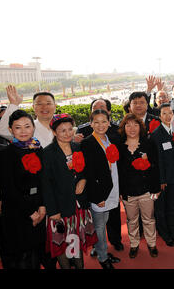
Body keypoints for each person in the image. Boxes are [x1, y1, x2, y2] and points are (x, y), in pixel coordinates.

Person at [41, 114, 97, 268]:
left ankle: (80, 266)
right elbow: (45, 184)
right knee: (60, 243)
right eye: (62, 130)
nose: (67, 133)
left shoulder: (78, 147)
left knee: (75, 239)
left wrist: (83, 180)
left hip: (78, 206)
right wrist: (53, 211)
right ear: (54, 132)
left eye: (69, 129)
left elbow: (85, 171)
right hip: (59, 207)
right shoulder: (47, 153)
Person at [74, 98, 123, 253]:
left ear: (109, 122)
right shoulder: (88, 143)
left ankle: (101, 250)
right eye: (96, 122)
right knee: (100, 226)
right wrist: (97, 197)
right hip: (99, 193)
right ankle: (103, 256)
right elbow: (89, 173)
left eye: (104, 122)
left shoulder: (109, 140)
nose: (100, 125)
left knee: (105, 220)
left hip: (111, 187)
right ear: (91, 124)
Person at [0, 110, 46, 269]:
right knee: (19, 256)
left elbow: (41, 181)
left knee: (35, 253)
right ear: (11, 130)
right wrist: (30, 212)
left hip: (36, 207)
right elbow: (9, 189)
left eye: (27, 126)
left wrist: (41, 206)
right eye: (18, 127)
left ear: (33, 127)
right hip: (16, 211)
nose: (23, 131)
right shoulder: (5, 154)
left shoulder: (37, 148)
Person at [117, 113, 161, 259]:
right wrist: (119, 191)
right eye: (128, 125)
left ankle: (152, 244)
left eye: (135, 124)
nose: (132, 128)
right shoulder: (119, 146)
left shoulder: (148, 144)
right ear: (124, 127)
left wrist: (156, 189)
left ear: (140, 127)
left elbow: (155, 167)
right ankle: (134, 244)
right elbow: (116, 171)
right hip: (128, 191)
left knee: (149, 219)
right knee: (132, 220)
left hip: (146, 190)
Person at [151, 104, 174, 247]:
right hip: (162, 180)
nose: (168, 116)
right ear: (159, 116)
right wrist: (161, 180)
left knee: (171, 207)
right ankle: (165, 234)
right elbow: (157, 161)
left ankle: (173, 232)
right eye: (164, 113)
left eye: (170, 113)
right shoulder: (156, 135)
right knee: (160, 209)